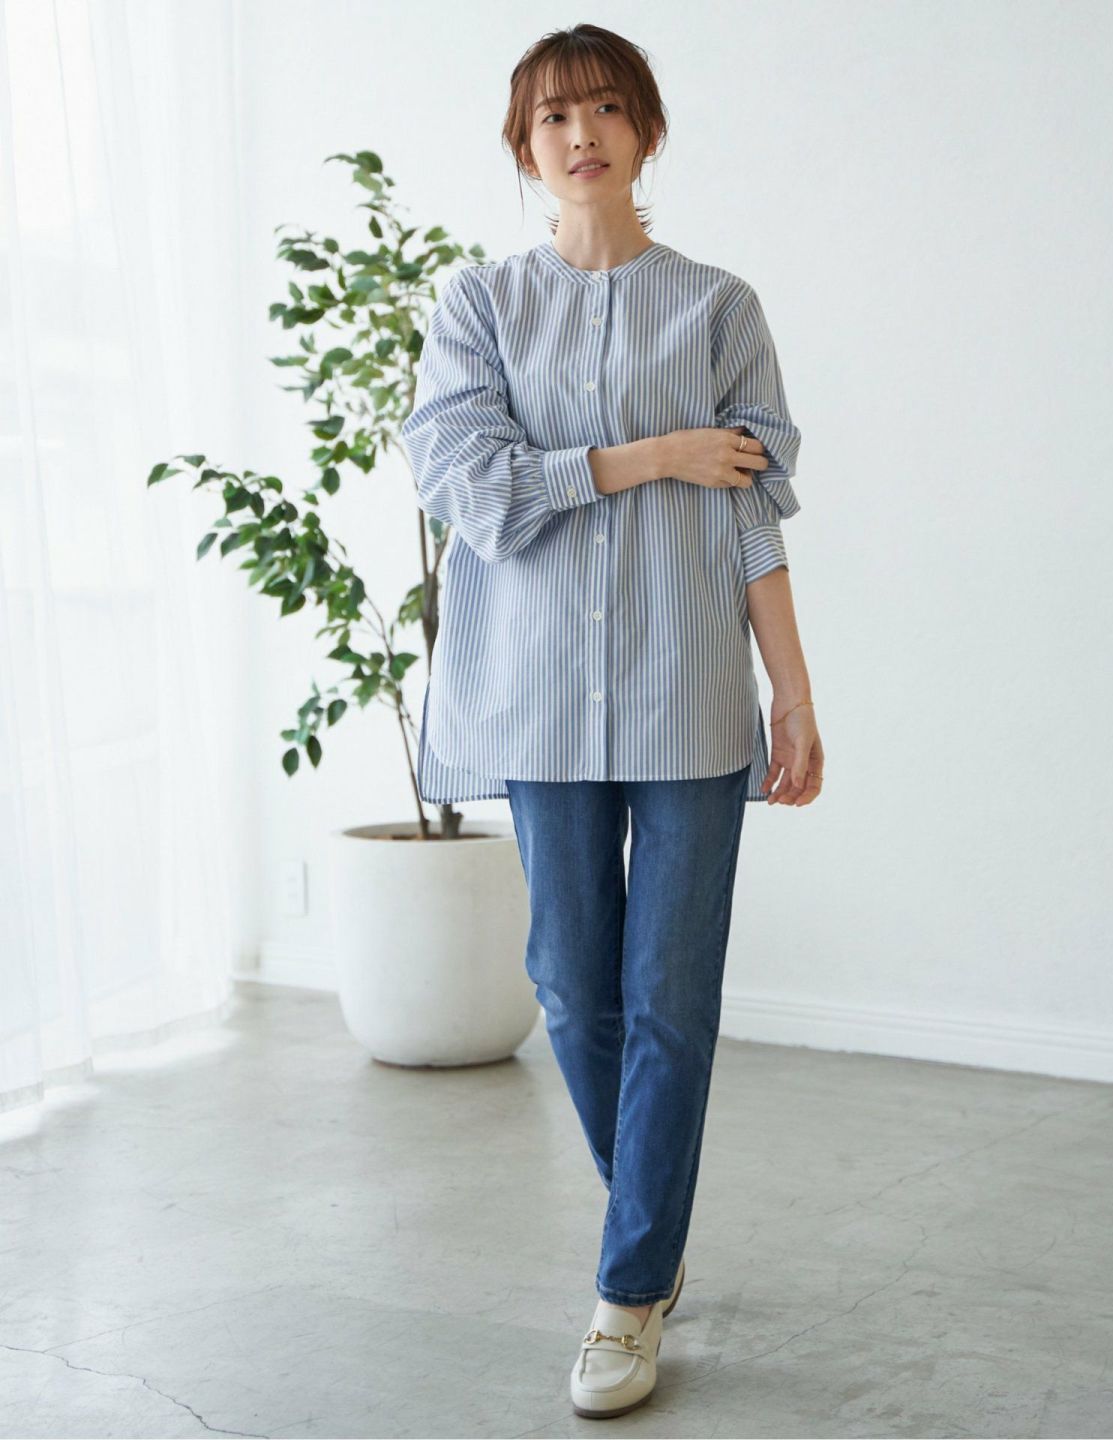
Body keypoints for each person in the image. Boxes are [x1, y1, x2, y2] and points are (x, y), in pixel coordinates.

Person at [400, 22, 824, 1421]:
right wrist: (654, 455)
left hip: (690, 693)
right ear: (523, 147)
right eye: (551, 117)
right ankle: (651, 1219)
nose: (579, 135)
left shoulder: (718, 308)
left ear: (644, 128)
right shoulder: (478, 307)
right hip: (540, 705)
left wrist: (794, 692)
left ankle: (628, 1292)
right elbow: (479, 494)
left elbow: (751, 517)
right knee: (575, 991)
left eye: (603, 109)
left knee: (671, 1003)